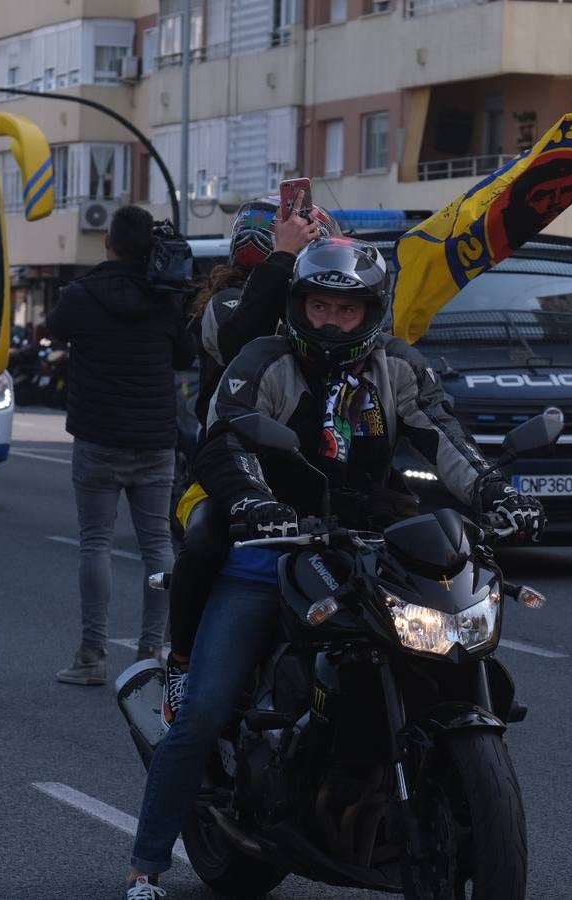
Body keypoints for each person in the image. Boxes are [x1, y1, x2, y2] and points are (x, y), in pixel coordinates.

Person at [121, 237, 545, 898]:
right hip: (275, 547)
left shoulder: (399, 367)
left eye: (345, 310)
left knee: (445, 634)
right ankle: (146, 863)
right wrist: (255, 504)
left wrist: (498, 494)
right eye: (319, 304)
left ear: (369, 310)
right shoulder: (261, 361)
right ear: (299, 303)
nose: (330, 320)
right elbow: (224, 441)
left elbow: (445, 437)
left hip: (370, 541)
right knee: (203, 711)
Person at [162, 195, 334, 724]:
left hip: (307, 472)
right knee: (207, 536)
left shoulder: (317, 308)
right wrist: (281, 258)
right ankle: (182, 664)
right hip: (228, 469)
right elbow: (240, 340)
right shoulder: (227, 302)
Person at [47, 205, 196, 685]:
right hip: (154, 438)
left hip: (98, 436)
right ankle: (154, 651)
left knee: (95, 543)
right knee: (157, 546)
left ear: (108, 244)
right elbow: (185, 356)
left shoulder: (81, 295)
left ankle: (92, 656)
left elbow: (54, 330)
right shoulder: (165, 300)